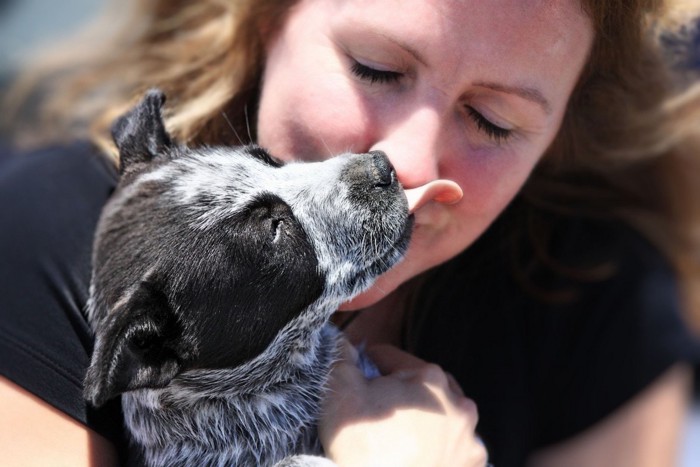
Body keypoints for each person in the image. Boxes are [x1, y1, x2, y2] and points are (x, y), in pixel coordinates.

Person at [1, 0, 700, 465]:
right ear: (267, 17)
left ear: (557, 133)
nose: (408, 164)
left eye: (493, 120)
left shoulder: (601, 299)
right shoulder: (49, 250)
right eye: (378, 69)